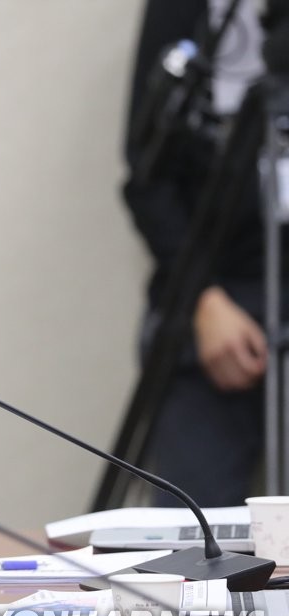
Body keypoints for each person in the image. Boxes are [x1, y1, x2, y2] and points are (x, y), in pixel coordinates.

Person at [123, 0, 289, 506]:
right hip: (212, 303)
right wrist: (203, 299)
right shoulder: (184, 13)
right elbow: (147, 177)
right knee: (191, 524)